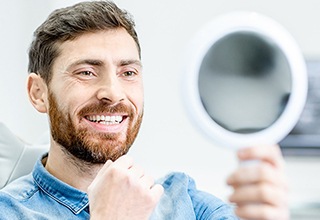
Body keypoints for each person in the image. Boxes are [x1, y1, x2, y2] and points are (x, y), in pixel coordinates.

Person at [0, 1, 289, 219]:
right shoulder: (9, 211)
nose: (113, 92)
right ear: (38, 94)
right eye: (87, 72)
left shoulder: (184, 200)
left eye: (128, 72)